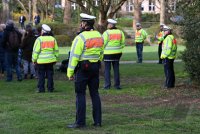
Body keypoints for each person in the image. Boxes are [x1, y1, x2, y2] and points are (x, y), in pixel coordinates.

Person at [67, 13, 104, 128]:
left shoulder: (80, 38)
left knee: (80, 95)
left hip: (83, 69)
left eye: (82, 22)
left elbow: (74, 56)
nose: (80, 24)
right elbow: (101, 52)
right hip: (95, 68)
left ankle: (80, 123)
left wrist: (70, 72)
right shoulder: (99, 35)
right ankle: (98, 121)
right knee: (95, 94)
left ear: (84, 24)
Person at [32, 24, 59, 93]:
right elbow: (56, 50)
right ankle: (50, 88)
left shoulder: (39, 39)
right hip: (50, 60)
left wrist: (34, 60)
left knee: (41, 75)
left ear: (43, 31)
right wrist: (56, 58)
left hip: (41, 61)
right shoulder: (53, 39)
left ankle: (41, 89)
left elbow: (36, 51)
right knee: (50, 75)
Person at [102, 19, 125, 89]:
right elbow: (123, 43)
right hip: (117, 53)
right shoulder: (120, 32)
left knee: (107, 70)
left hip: (108, 54)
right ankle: (117, 85)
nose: (107, 25)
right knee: (116, 69)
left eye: (108, 24)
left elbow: (103, 43)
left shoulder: (106, 33)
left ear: (111, 25)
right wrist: (119, 49)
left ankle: (107, 85)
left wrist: (102, 51)